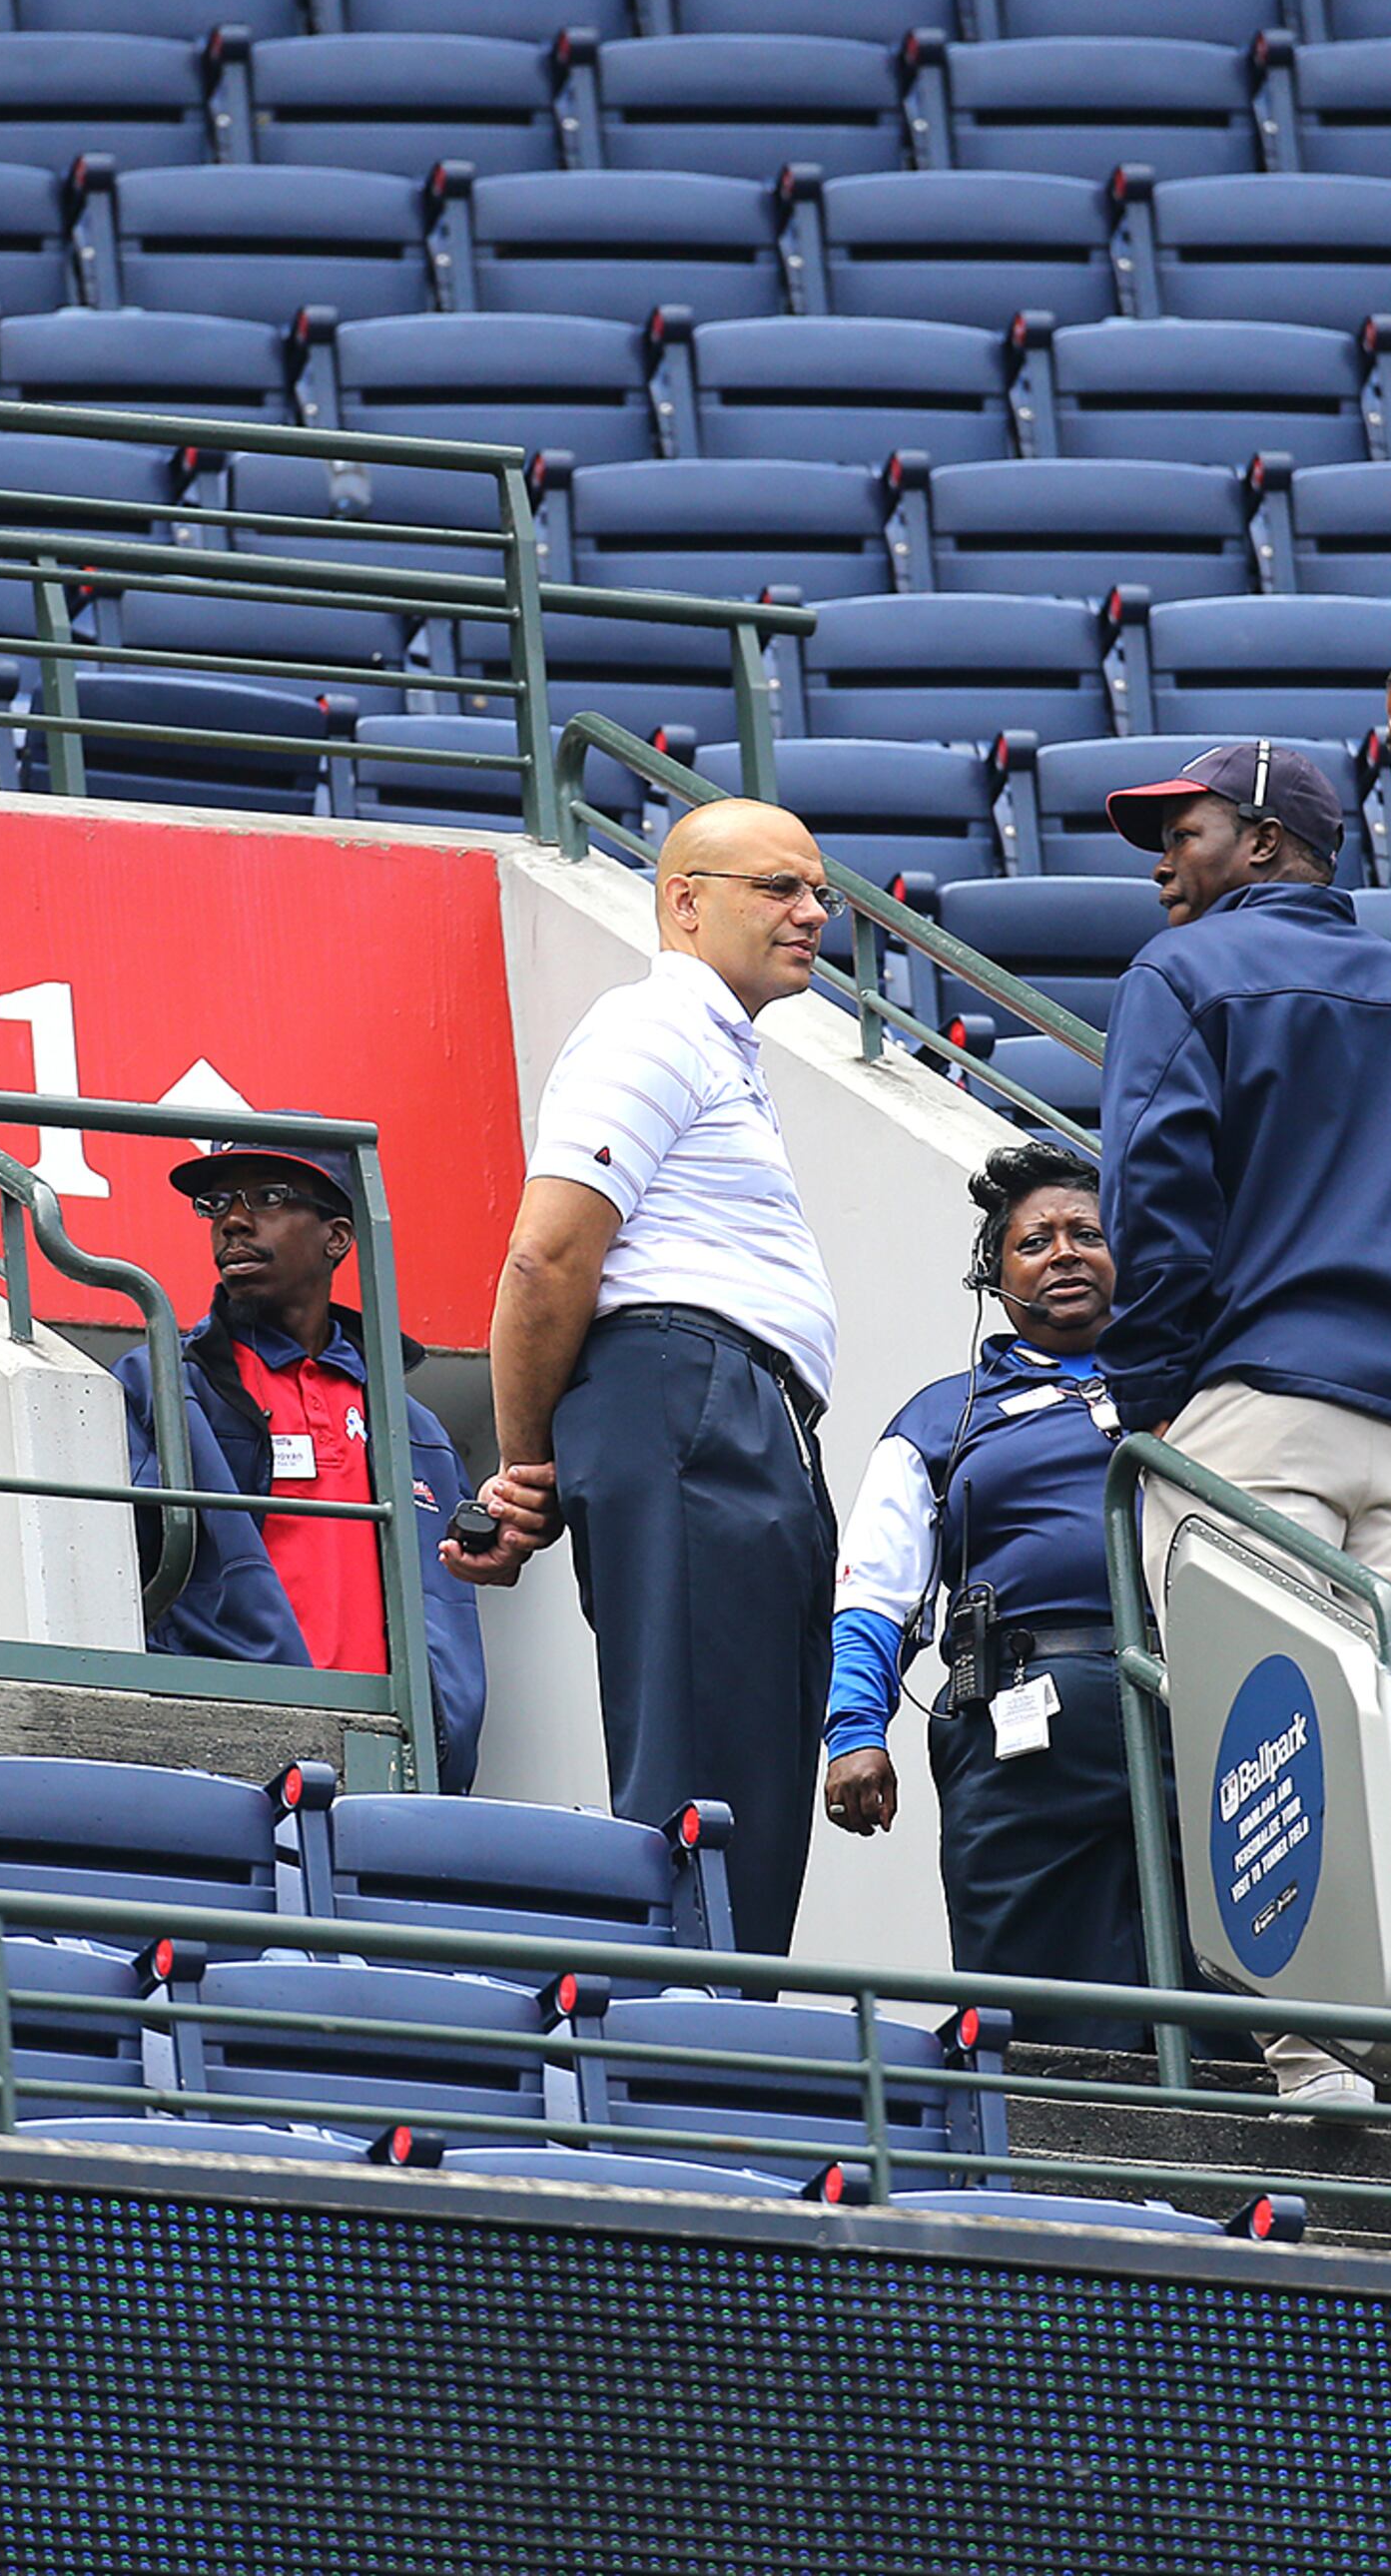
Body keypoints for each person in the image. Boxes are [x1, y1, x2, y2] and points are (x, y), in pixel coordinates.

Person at [1095, 737, 1391, 2102]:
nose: (1164, 858)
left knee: (1265, 1720)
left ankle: (1321, 2056)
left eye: (1189, 831)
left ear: (1272, 842)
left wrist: (1156, 1394)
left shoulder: (1183, 976)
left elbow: (1157, 1212)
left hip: (1250, 1408)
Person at [451, 798, 843, 1956]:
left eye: (818, 889)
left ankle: (723, 2052)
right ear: (685, 900)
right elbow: (546, 1254)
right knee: (704, 1779)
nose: (814, 912)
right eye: (779, 887)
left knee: (754, 1779)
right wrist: (527, 1465)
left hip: (729, 1410)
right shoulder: (653, 1024)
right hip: (689, 1396)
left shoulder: (713, 1040)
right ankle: (690, 2062)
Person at [822, 1142, 1157, 2049]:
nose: (1065, 1253)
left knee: (1217, 1979)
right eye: (1034, 1241)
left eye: (1088, 1233)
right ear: (993, 1273)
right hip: (1018, 1738)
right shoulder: (941, 1416)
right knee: (1036, 2007)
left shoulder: (1184, 1390)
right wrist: (856, 1734)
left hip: (1190, 1718)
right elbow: (875, 1592)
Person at [125, 1137, 489, 1791]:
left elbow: (448, 1620)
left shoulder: (420, 1434)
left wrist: (444, 1752)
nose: (232, 1220)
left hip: (388, 1774)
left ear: (338, 1237)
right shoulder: (166, 1385)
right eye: (216, 1203)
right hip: (233, 1769)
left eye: (267, 1197)